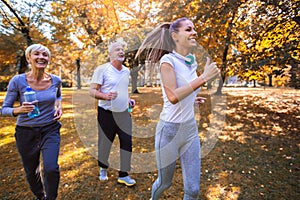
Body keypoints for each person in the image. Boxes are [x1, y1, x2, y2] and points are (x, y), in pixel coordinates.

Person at [135, 17, 219, 199]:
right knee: (165, 182)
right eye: (188, 29)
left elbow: (183, 90)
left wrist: (191, 99)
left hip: (189, 130)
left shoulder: (191, 61)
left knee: (193, 190)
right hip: (169, 131)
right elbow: (172, 96)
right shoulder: (167, 61)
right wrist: (203, 78)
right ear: (175, 36)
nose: (194, 33)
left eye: (194, 29)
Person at [1, 44, 62, 200]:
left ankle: (51, 198)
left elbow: (58, 96)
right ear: (28, 58)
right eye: (36, 54)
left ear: (48, 59)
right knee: (31, 170)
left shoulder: (56, 80)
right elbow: (4, 109)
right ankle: (40, 196)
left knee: (51, 168)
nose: (41, 57)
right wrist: (18, 110)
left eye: (45, 55)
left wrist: (58, 106)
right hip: (25, 132)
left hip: (50, 129)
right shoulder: (18, 81)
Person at [89, 41, 136, 186]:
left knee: (126, 143)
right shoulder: (102, 70)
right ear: (110, 54)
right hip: (106, 114)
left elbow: (123, 90)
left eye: (122, 49)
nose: (121, 51)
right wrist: (105, 96)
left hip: (123, 114)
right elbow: (92, 91)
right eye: (117, 50)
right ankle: (103, 167)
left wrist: (128, 99)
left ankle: (124, 174)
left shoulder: (126, 71)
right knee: (105, 144)